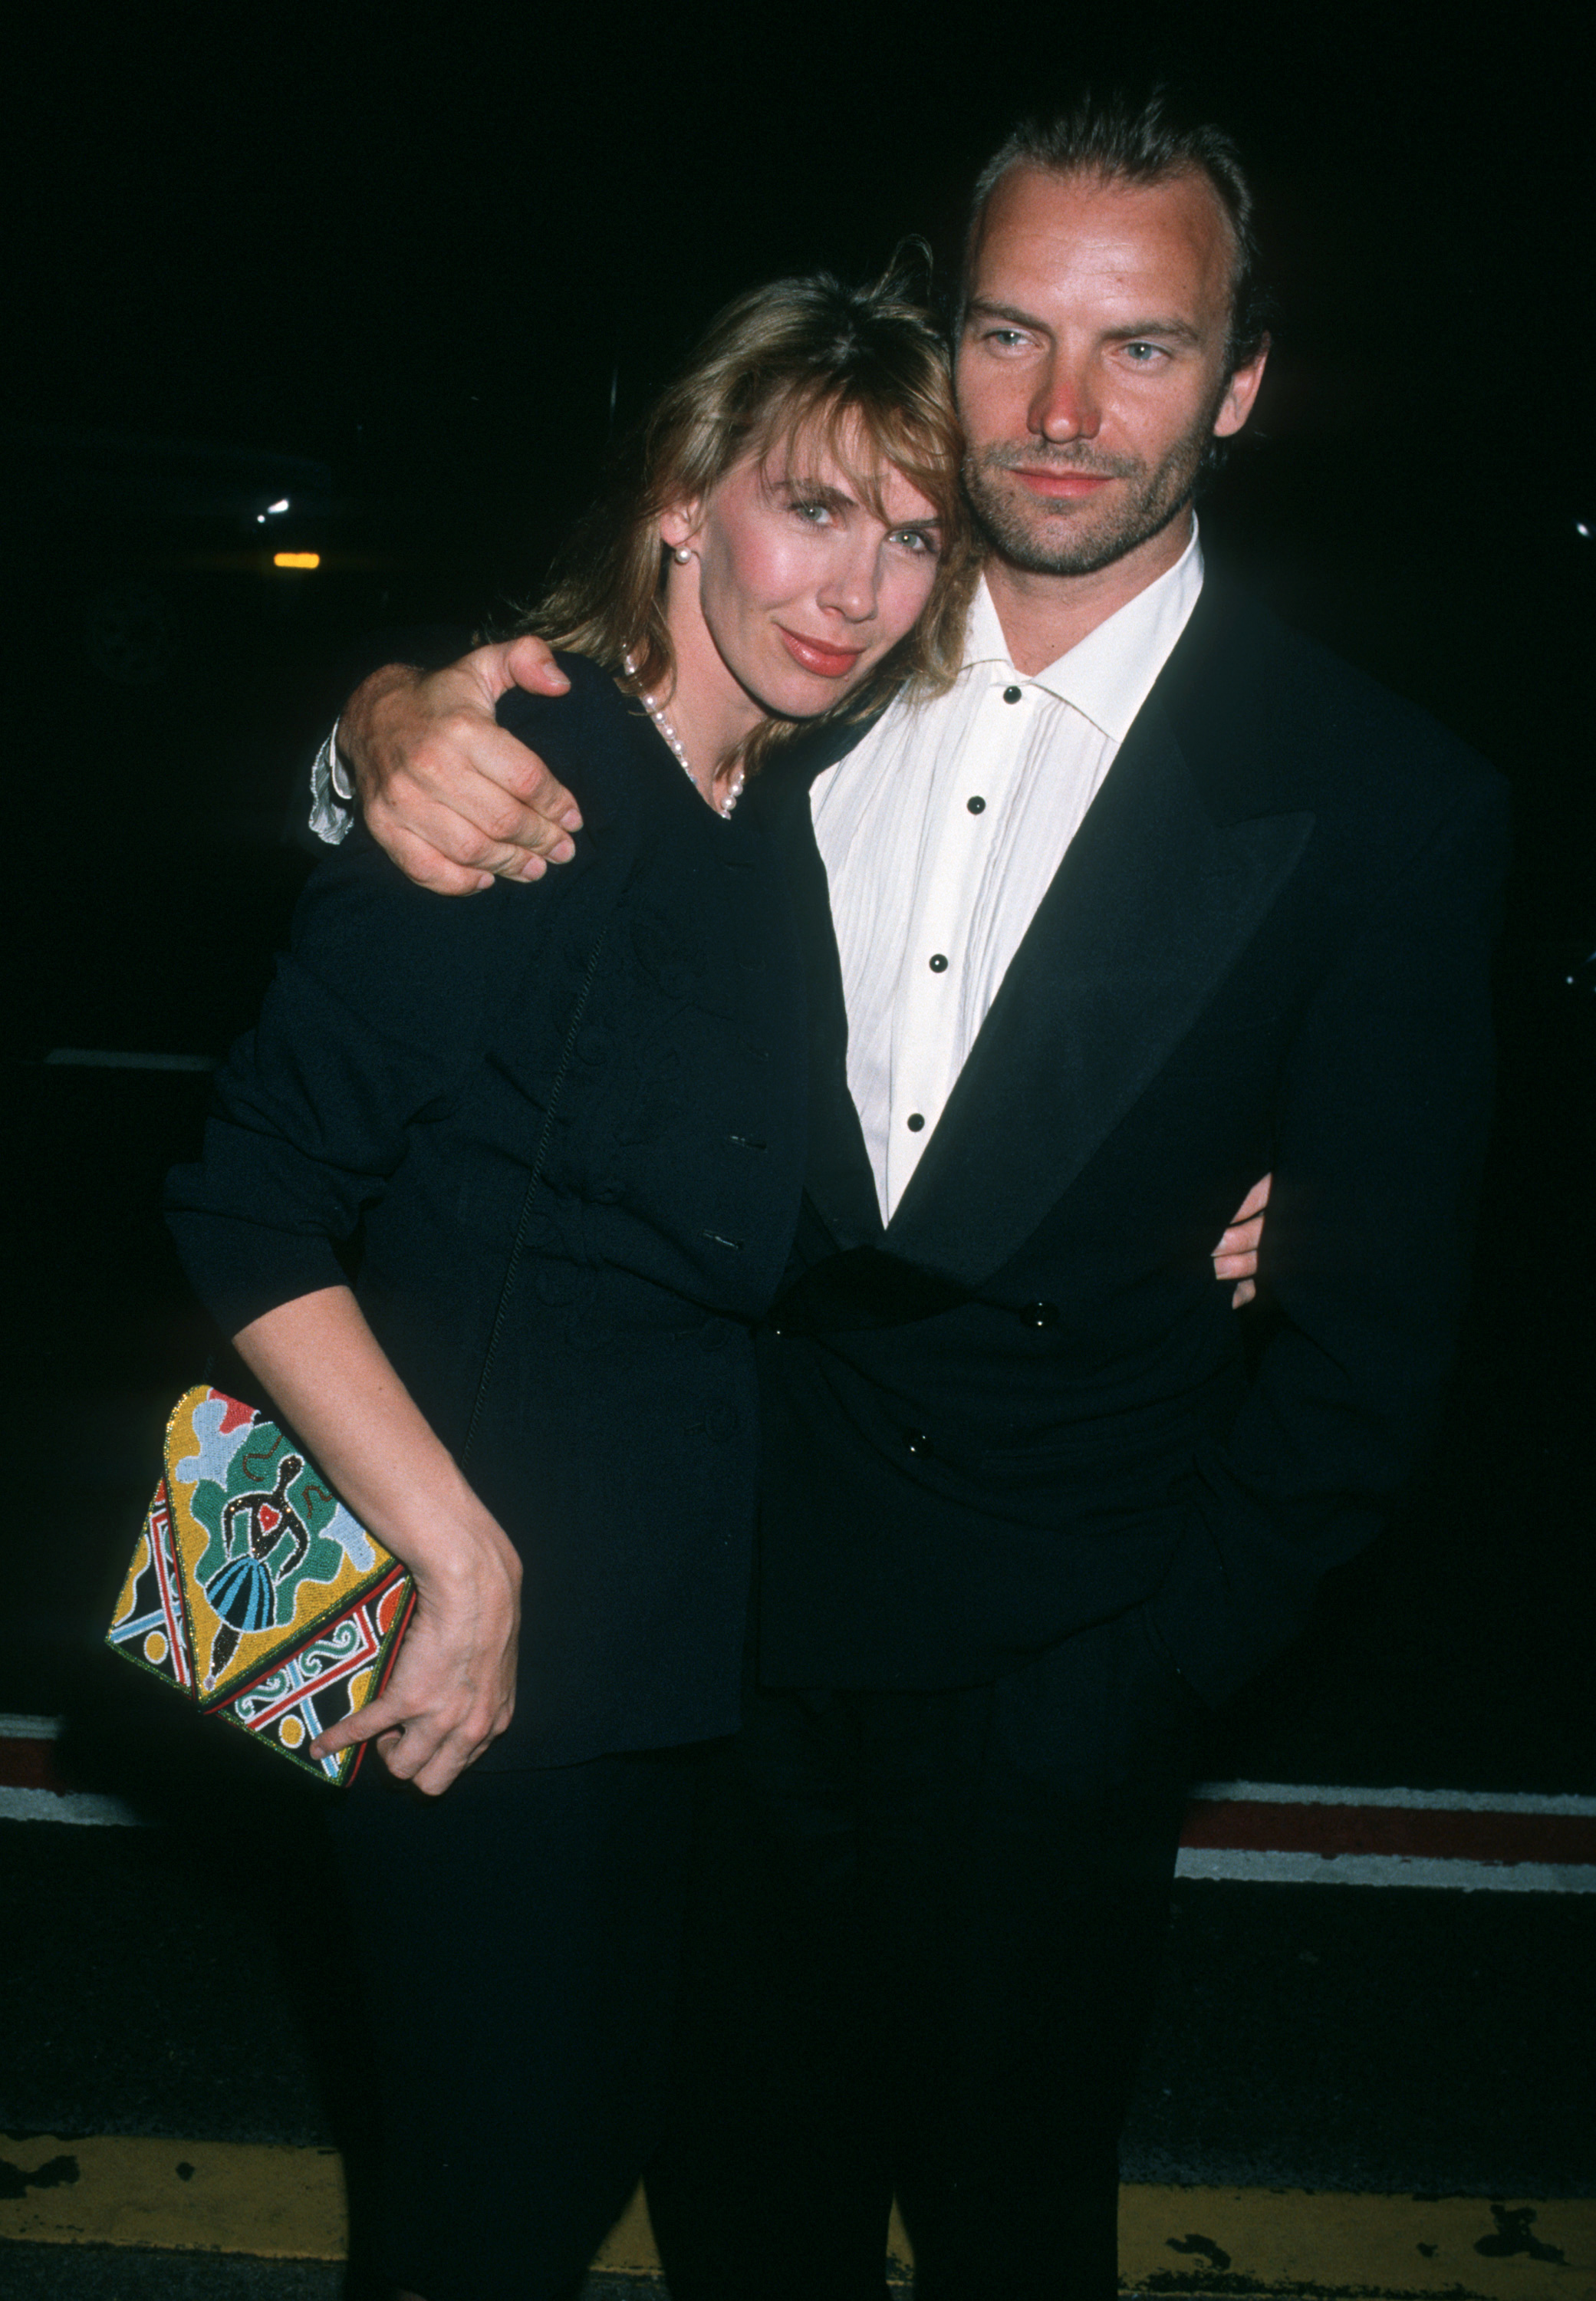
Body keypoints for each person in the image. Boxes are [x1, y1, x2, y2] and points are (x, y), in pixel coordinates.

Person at [318, 94, 1505, 2301]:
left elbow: (1375, 1347)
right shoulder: (802, 652)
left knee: (1002, 2232)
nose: (1060, 414)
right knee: (714, 2208)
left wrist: (1150, 1681)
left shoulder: (1378, 801)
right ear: (933, 346)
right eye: (1004, 336)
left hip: (1054, 1674)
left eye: (1139, 350)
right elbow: (519, 728)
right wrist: (375, 724)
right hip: (695, 1620)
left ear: (1237, 385)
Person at [163, 267, 980, 2301]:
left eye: (911, 537)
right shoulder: (530, 771)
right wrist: (463, 1566)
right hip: (462, 1638)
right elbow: (245, 1203)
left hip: (650, 1647)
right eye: (812, 508)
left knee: (560, 2156)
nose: (855, 587)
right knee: (486, 2208)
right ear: (685, 497)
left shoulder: (769, 820)